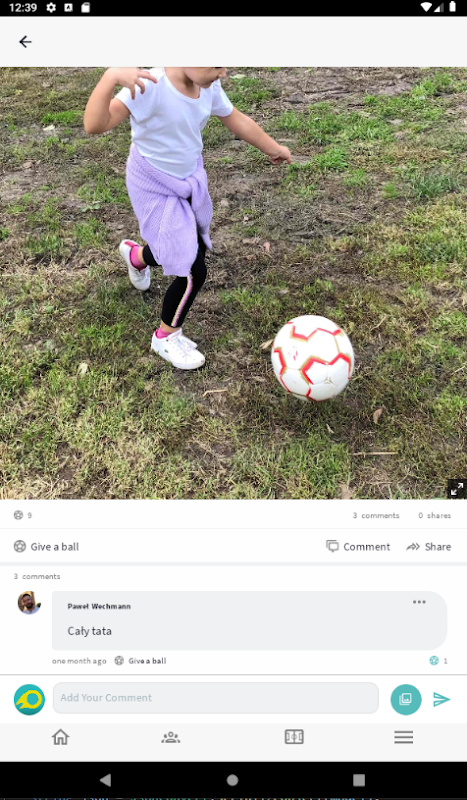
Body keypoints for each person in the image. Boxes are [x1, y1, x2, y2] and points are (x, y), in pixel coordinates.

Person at [84, 67, 292, 369]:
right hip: (153, 184)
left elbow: (236, 119)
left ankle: (137, 257)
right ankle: (165, 336)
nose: (222, 73)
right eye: (215, 64)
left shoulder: (208, 86)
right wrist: (111, 77)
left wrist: (274, 148)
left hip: (186, 180)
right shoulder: (149, 86)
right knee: (193, 268)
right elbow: (94, 124)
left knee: (177, 246)